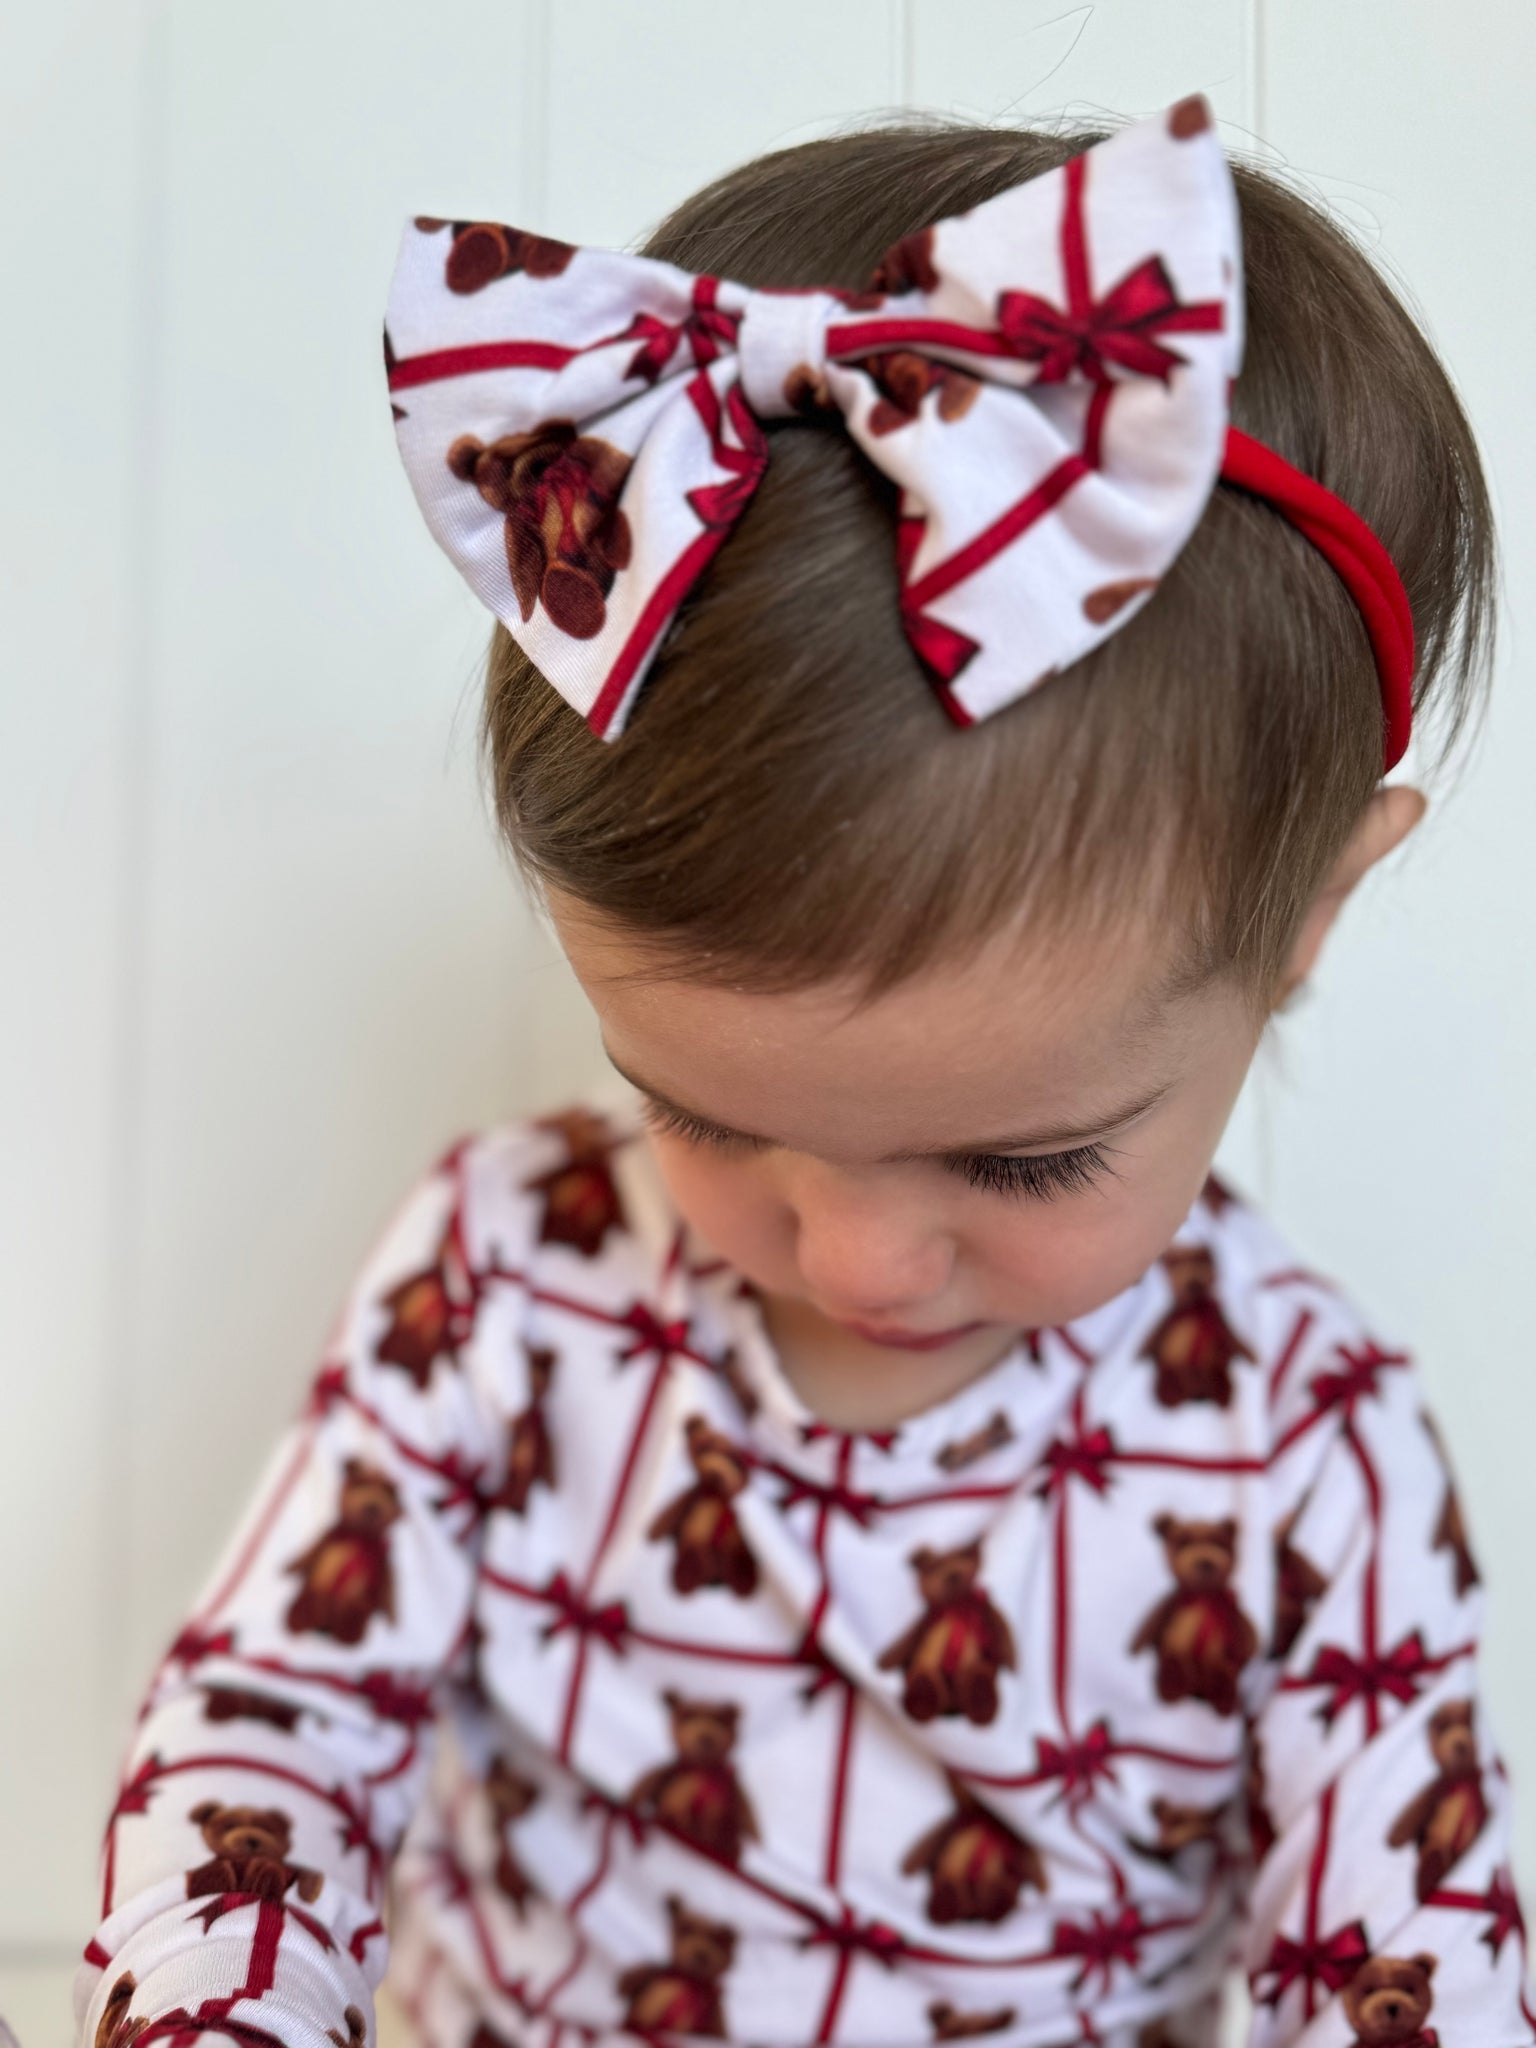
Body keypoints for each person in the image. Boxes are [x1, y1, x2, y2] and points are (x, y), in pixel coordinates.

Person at [76, 99, 1534, 2048]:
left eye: (1020, 1165)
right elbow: (269, 1734)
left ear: (1314, 911)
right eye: (701, 1110)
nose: (850, 1253)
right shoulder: (501, 1285)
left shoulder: (1300, 1443)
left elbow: (1397, 1951)